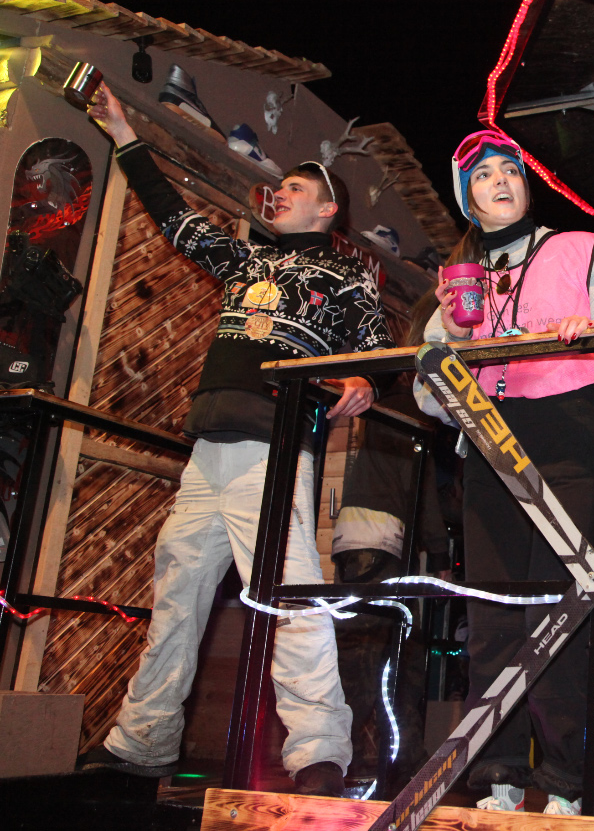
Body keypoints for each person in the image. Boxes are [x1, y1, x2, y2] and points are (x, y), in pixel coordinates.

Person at [78, 85, 393, 797]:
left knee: (291, 598)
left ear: (327, 208)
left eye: (296, 188)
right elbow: (176, 220)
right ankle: (144, 740)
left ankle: (320, 753)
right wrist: (124, 132)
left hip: (275, 451)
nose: (280, 193)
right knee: (176, 597)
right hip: (208, 453)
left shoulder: (348, 273)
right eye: (280, 186)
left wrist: (362, 380)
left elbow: (378, 351)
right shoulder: (248, 260)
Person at [415, 130, 594, 816]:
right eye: (483, 175)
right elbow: (427, 395)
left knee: (561, 611)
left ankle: (567, 781)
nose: (500, 180)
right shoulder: (456, 279)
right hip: (490, 447)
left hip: (568, 439)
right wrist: (454, 340)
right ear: (468, 199)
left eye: (509, 170)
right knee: (492, 616)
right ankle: (498, 775)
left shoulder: (579, 249)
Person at [331, 289, 452, 790]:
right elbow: (418, 489)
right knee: (377, 653)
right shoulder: (409, 413)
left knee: (380, 650)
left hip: (365, 537)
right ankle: (372, 758)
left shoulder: (390, 408)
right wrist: (440, 551)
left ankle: (383, 758)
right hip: (378, 539)